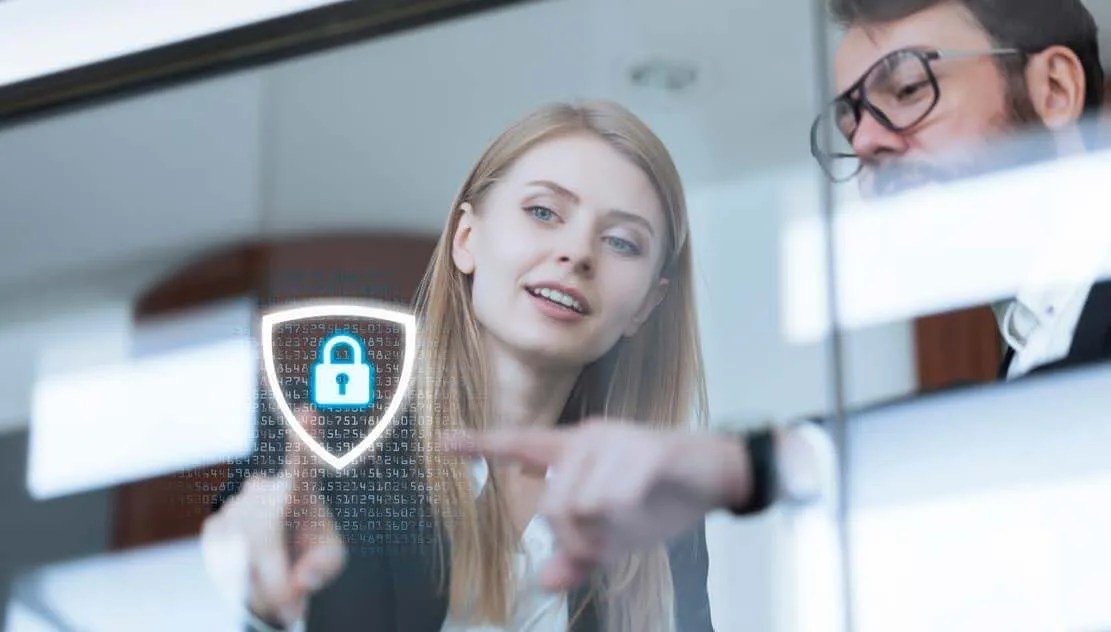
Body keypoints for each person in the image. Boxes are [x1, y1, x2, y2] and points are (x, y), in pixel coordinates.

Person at [457, 0, 1110, 594]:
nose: (866, 141)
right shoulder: (1035, 341)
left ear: (1052, 89)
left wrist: (747, 463)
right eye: (851, 119)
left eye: (908, 90)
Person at [202, 100, 715, 632]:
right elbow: (239, 552)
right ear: (467, 239)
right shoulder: (335, 439)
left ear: (647, 307)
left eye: (621, 242)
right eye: (544, 212)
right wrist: (253, 597)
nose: (577, 252)